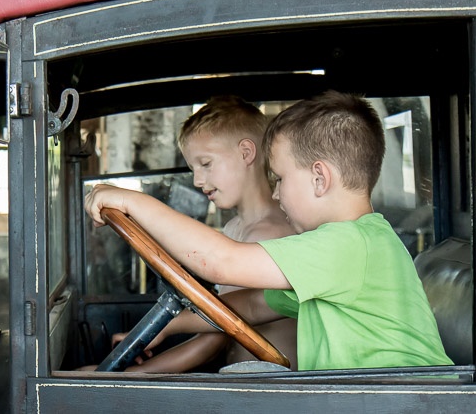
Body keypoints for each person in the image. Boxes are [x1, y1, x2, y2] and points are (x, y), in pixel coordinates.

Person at [85, 90, 453, 371]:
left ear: (320, 178)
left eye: (279, 179)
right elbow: (254, 305)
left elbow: (220, 262)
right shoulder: (342, 250)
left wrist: (132, 201)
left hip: (402, 403)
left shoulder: (350, 243)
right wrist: (168, 326)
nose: (275, 193)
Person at [106, 95, 296, 373]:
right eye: (193, 169)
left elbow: (213, 340)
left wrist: (129, 375)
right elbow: (217, 327)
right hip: (241, 377)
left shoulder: (271, 233)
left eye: (206, 164)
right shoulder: (233, 229)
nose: (197, 180)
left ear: (246, 153)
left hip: (275, 384)